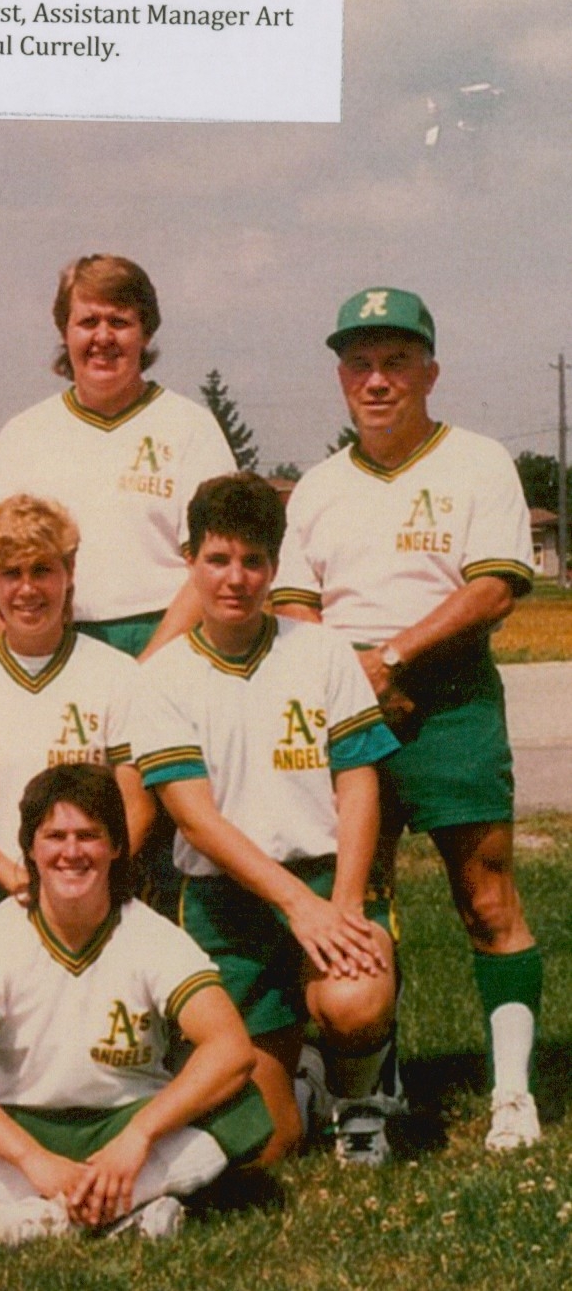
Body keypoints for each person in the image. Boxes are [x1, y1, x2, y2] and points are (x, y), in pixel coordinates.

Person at [273, 288, 544, 1151]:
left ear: (430, 370)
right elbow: (294, 602)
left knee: (484, 891)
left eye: (396, 361)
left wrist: (389, 657)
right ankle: (367, 1089)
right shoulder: (316, 486)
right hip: (347, 707)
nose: (377, 379)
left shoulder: (474, 460)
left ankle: (511, 1092)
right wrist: (348, 679)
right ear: (340, 377)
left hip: (448, 693)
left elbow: (494, 584)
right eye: (359, 363)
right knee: (360, 893)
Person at [133, 473, 401, 1165]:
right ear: (190, 561)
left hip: (322, 873)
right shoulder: (161, 677)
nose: (235, 578)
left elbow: (358, 779)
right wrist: (294, 906)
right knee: (264, 1142)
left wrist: (340, 901)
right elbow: (194, 821)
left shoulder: (319, 650)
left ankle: (361, 1097)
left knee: (354, 998)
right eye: (218, 559)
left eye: (253, 561)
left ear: (274, 567)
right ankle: (307, 1083)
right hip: (228, 899)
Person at [0, 763, 272, 1245]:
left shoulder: (150, 934)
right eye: (55, 836)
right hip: (19, 1124)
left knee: (245, 1110)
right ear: (29, 848)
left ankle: (40, 1215)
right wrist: (33, 1160)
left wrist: (139, 1137)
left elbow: (231, 1049)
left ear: (116, 845)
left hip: (125, 1120)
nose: (72, 852)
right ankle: (120, 1208)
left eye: (89, 836)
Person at [0, 254, 235, 660]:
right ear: (65, 331)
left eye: (119, 322)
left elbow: (215, 567)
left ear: (145, 334)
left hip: (170, 643)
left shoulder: (192, 429)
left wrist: (151, 667)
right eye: (88, 322)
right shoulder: (23, 435)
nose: (103, 337)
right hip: (55, 641)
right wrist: (33, 658)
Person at [0, 495, 149, 914]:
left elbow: (137, 804)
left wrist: (84, 879)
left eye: (42, 571)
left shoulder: (117, 674)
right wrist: (17, 879)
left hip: (96, 893)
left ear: (69, 572)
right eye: (11, 573)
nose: (27, 589)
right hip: (0, 895)